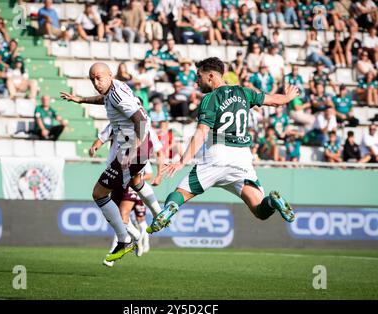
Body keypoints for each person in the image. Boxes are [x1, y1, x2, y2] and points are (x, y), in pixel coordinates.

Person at [146, 57, 299, 235]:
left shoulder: (210, 98)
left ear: (210, 76)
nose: (196, 80)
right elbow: (274, 101)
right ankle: (272, 202)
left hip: (216, 156)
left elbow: (202, 133)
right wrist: (288, 97)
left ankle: (169, 209)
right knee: (260, 209)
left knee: (180, 194)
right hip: (242, 159)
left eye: (199, 76)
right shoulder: (244, 92)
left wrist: (181, 162)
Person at [60, 62, 163, 263]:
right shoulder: (117, 87)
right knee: (135, 182)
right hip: (138, 148)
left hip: (132, 150)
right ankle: (158, 213)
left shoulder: (117, 94)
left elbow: (140, 120)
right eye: (92, 79)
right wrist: (81, 100)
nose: (96, 82)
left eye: (99, 77)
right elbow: (105, 98)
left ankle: (124, 240)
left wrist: (134, 149)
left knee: (98, 193)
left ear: (110, 74)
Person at [88, 122, 163, 267]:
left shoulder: (144, 127)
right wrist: (95, 147)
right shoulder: (116, 123)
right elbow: (101, 138)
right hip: (114, 173)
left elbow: (159, 151)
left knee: (123, 213)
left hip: (130, 176)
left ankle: (117, 250)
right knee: (113, 214)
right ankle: (135, 235)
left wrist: (159, 174)